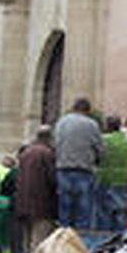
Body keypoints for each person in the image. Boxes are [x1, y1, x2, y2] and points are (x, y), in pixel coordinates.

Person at [53, 97, 103, 230]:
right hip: (84, 172)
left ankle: (64, 242)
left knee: (65, 212)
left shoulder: (61, 123)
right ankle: (81, 242)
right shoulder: (91, 125)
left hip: (63, 170)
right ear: (87, 110)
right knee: (83, 213)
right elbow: (100, 149)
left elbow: (55, 145)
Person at [13, 125, 57, 253]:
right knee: (39, 242)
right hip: (41, 204)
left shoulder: (25, 153)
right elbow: (52, 180)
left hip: (23, 203)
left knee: (26, 243)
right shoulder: (47, 153)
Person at [97, 114, 127, 231]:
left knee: (104, 212)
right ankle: (120, 236)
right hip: (123, 180)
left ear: (107, 126)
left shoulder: (103, 140)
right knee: (121, 211)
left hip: (105, 179)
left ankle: (105, 239)